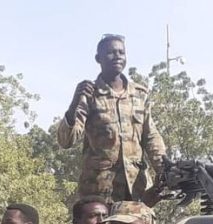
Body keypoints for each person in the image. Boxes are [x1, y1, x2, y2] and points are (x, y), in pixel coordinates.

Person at [58, 35, 166, 206]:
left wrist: (165, 170)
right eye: (110, 53)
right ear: (98, 58)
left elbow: (151, 136)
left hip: (137, 189)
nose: (117, 57)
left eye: (121, 52)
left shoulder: (140, 94)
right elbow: (66, 140)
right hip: (99, 191)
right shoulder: (89, 93)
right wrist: (74, 104)